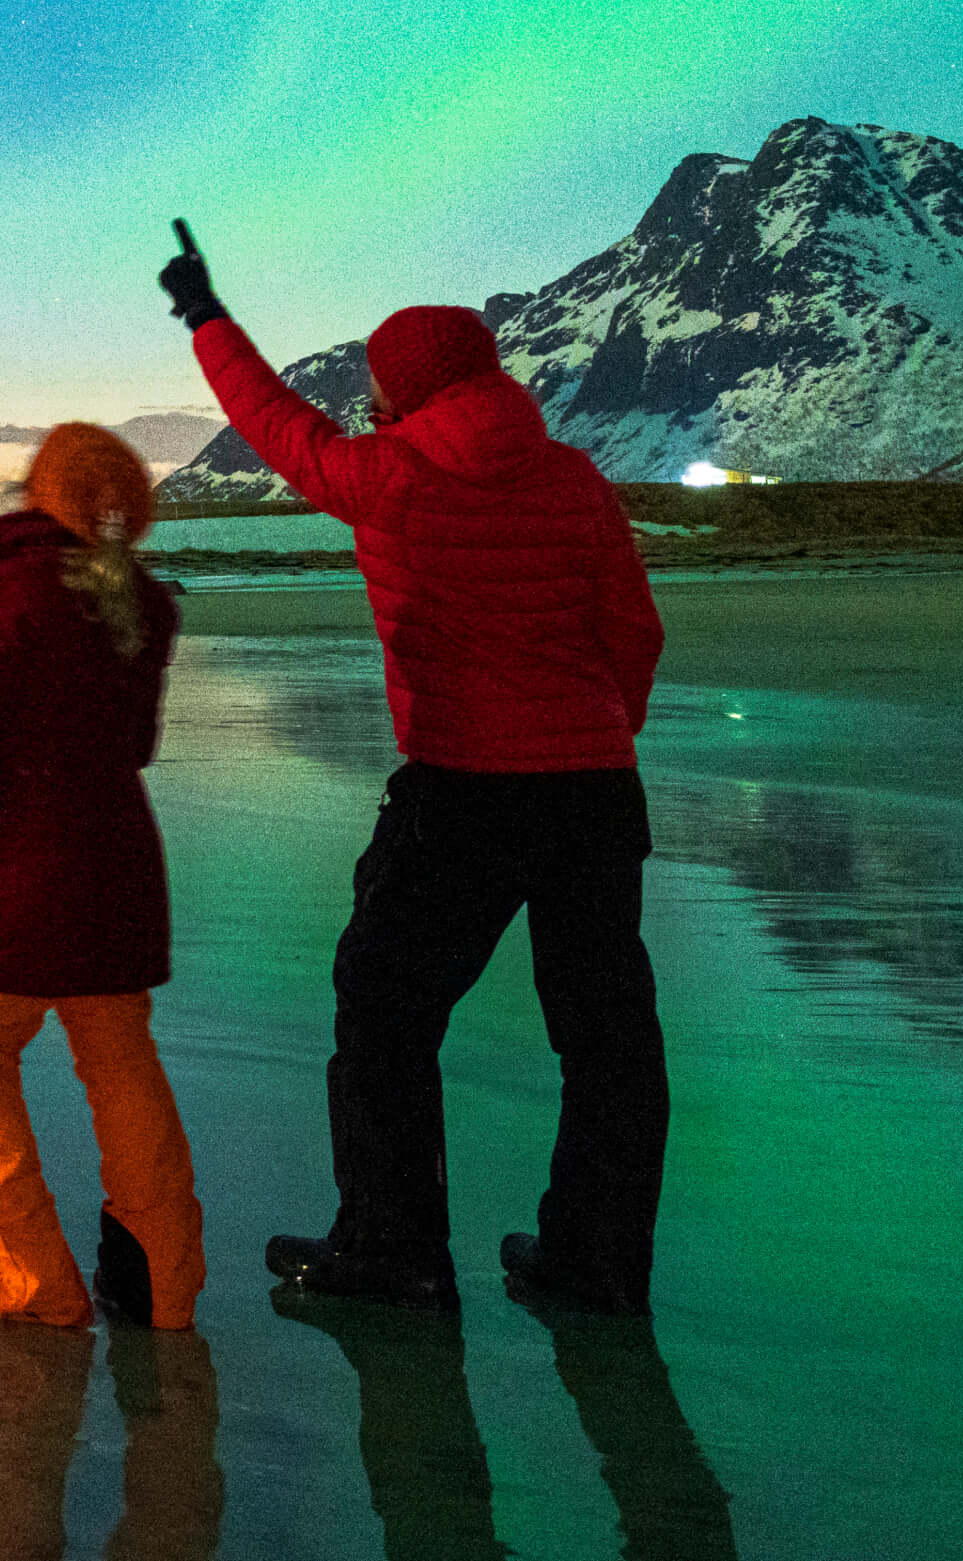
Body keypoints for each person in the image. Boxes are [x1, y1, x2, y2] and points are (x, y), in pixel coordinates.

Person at [157, 229, 669, 1315]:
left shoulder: (382, 476)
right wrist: (594, 731)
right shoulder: (572, 479)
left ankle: (394, 1249)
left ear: (396, 392)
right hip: (592, 789)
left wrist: (204, 314)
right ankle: (596, 1262)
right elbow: (633, 630)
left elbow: (273, 423)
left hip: (464, 788)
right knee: (605, 1035)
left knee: (384, 1008)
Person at [0, 423, 205, 1332]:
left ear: (41, 494)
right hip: (119, 877)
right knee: (120, 1065)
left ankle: (28, 1287)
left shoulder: (10, 588)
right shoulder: (143, 602)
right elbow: (133, 744)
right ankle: (161, 1286)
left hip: (14, 876)